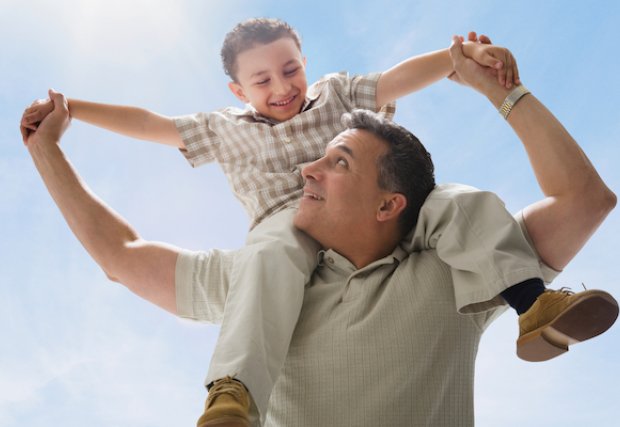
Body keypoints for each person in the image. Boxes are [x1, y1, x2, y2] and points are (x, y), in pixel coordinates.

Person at [20, 22, 616, 427]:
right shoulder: (256, 276)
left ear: (389, 204)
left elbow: (584, 199)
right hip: (274, 242)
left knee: (457, 199)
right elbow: (124, 248)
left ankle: (531, 302)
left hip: (429, 227)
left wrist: (469, 68)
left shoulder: (455, 264)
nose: (308, 164)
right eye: (262, 80)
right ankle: (233, 393)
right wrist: (59, 133)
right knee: (272, 251)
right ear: (237, 89)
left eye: (338, 161)